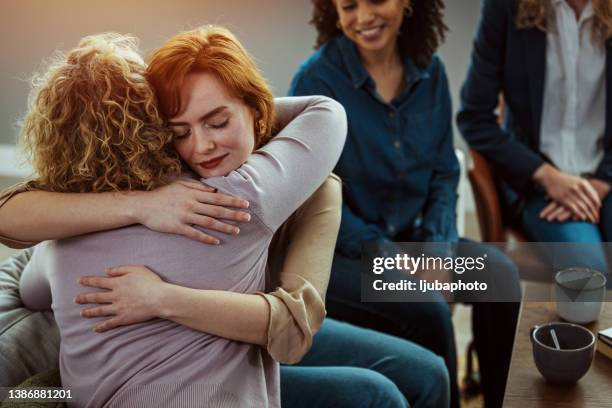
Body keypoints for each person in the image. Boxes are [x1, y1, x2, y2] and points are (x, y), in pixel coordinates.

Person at [1, 28, 450, 408]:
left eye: (217, 121)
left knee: (423, 368)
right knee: (384, 389)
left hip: (276, 316)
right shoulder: (225, 197)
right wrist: (143, 205)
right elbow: (325, 113)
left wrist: (160, 297)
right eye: (179, 131)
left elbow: (30, 284)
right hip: (235, 356)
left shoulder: (65, 236)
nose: (202, 148)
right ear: (153, 126)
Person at [289, 1, 521, 407]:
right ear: (334, 12)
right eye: (348, 6)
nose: (363, 17)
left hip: (414, 239)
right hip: (344, 257)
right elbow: (310, 196)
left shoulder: (431, 71)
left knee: (500, 277)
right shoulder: (316, 80)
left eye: (377, 0)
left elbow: (445, 172)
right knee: (427, 307)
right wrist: (397, 260)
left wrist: (436, 249)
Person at [458, 0, 612, 283]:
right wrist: (545, 175)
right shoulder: (505, 7)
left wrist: (602, 183)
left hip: (607, 175)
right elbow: (474, 117)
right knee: (590, 275)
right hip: (536, 181)